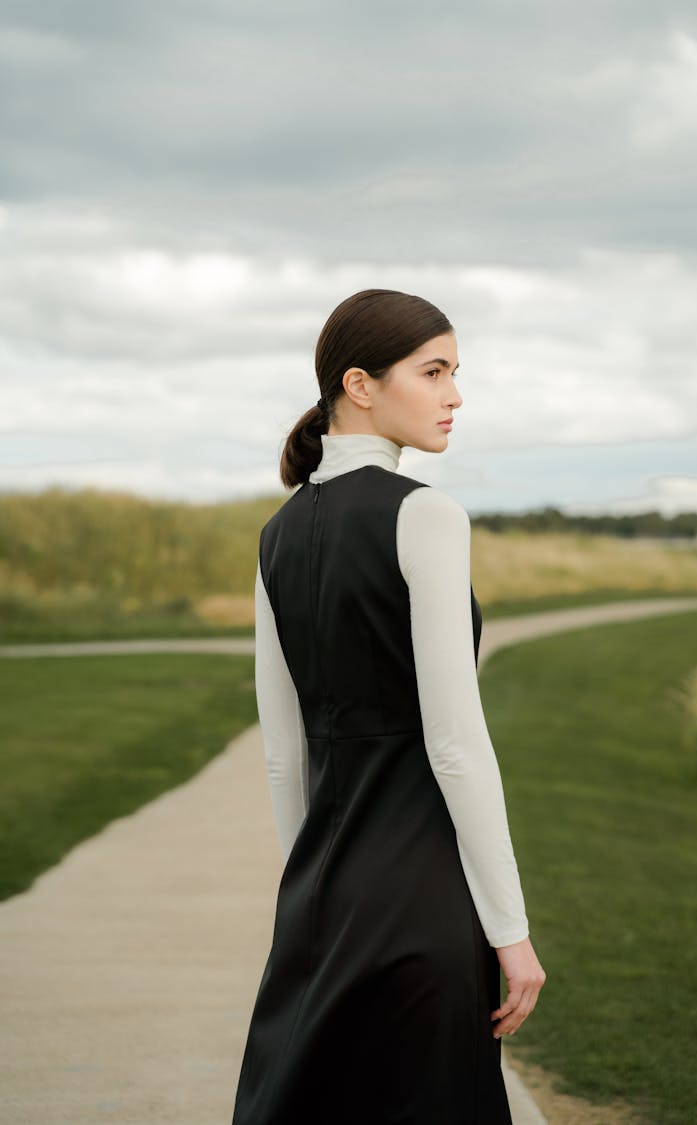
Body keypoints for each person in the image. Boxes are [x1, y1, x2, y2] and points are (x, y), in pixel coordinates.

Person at [231, 289, 545, 1124]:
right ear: (360, 384)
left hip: (322, 901)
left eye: (455, 373)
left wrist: (312, 892)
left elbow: (281, 750)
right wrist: (509, 930)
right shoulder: (427, 515)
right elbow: (456, 744)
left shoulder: (277, 533)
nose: (455, 395)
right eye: (434, 370)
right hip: (422, 903)